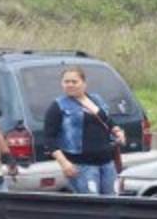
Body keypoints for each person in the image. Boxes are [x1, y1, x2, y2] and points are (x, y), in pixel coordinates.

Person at [44, 66, 125, 195]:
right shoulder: (58, 106)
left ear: (84, 83)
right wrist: (64, 163)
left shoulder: (96, 99)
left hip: (106, 163)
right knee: (91, 206)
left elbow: (108, 120)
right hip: (82, 166)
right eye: (66, 82)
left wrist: (117, 131)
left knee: (113, 201)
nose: (70, 85)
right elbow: (49, 139)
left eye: (74, 81)